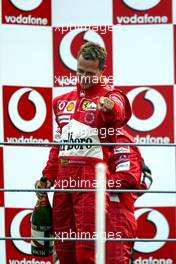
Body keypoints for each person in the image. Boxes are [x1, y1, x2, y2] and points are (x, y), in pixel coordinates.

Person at [35, 41, 132, 264]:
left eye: (90, 73)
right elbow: (58, 144)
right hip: (63, 179)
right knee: (64, 246)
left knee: (87, 247)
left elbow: (119, 111)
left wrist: (109, 106)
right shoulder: (61, 102)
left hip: (91, 181)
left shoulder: (111, 95)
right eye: (79, 71)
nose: (84, 77)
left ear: (102, 71)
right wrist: (47, 177)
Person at [107, 127, 152, 264]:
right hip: (81, 215)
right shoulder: (77, 136)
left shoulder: (119, 138)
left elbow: (145, 179)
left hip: (116, 215)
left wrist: (94, 186)